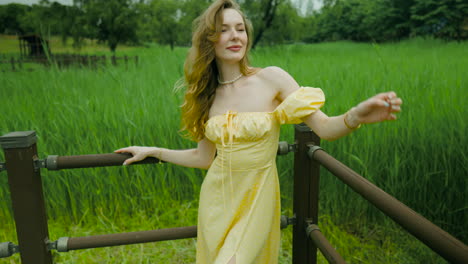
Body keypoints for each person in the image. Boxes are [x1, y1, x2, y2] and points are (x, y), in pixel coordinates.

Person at [115, 0, 403, 263]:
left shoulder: (271, 79)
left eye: (240, 28)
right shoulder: (206, 96)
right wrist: (154, 152)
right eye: (224, 30)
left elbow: (325, 128)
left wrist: (356, 114)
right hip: (216, 203)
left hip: (257, 200)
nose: (235, 36)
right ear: (209, 40)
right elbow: (204, 157)